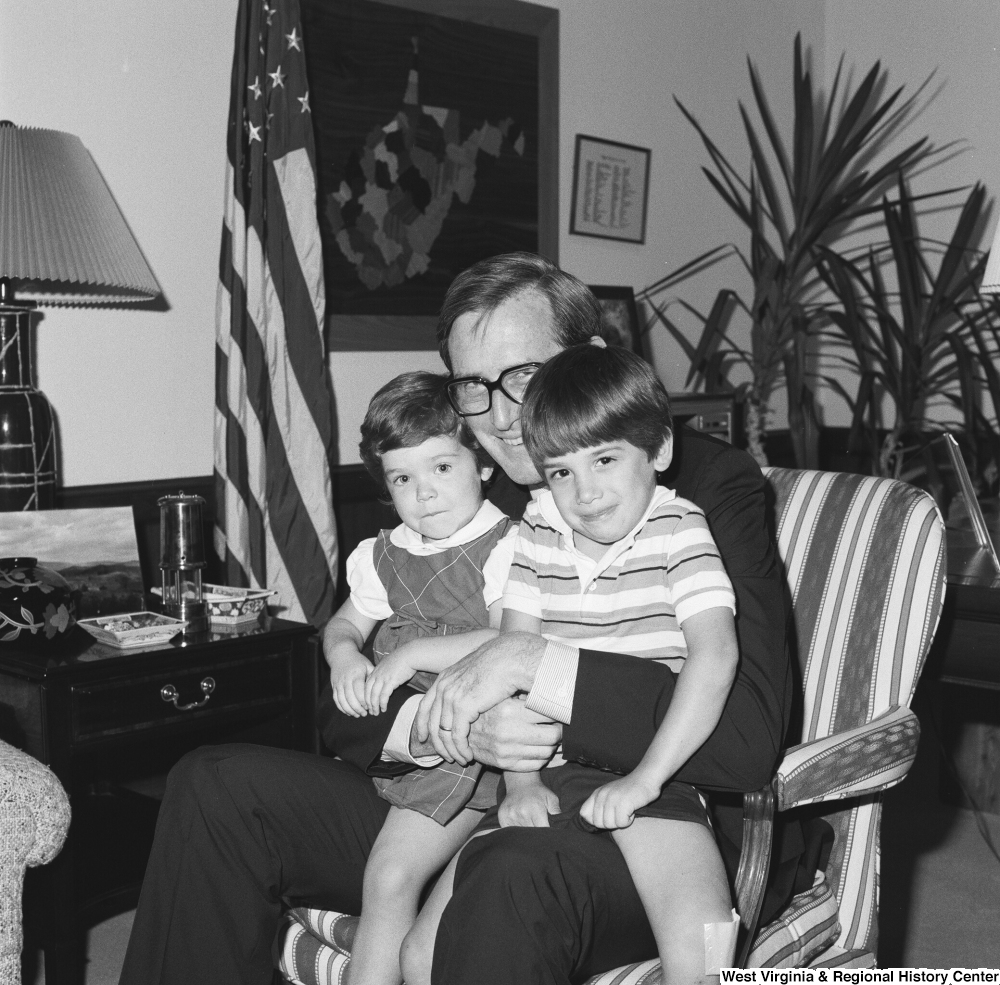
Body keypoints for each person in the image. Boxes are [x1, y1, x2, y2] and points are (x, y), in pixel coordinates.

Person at [118, 252, 795, 985]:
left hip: (638, 822)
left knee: (507, 867)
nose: (503, 417)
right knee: (216, 782)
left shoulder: (700, 490)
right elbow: (344, 711)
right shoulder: (457, 492)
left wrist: (535, 670)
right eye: (475, 386)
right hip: (446, 799)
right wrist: (453, 723)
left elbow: (748, 737)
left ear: (592, 361)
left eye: (524, 377)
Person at [402, 343, 741, 983]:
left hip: (657, 777)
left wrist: (646, 780)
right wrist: (522, 783)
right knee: (420, 956)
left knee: (701, 954)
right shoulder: (536, 534)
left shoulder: (679, 531)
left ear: (659, 452)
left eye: (605, 459)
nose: (584, 492)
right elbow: (509, 661)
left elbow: (715, 655)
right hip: (546, 770)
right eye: (560, 471)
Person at [324, 370, 517, 985]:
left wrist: (408, 657)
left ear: (483, 463)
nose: (423, 493)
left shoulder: (510, 546)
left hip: (466, 744)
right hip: (390, 745)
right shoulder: (380, 553)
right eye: (403, 477)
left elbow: (506, 640)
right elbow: (340, 626)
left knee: (389, 877)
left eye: (441, 468)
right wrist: (346, 656)